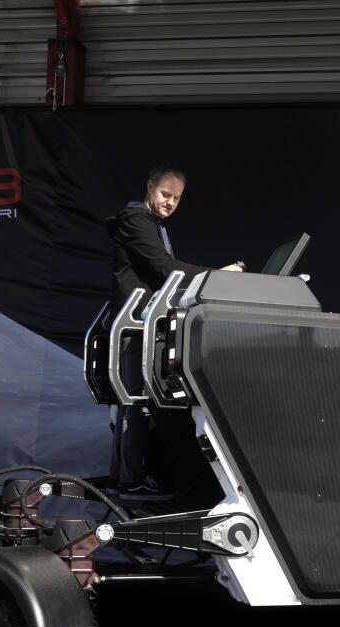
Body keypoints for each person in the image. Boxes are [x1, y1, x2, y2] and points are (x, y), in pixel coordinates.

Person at [107, 164, 240, 498]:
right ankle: (130, 480)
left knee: (134, 403)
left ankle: (127, 477)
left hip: (141, 323)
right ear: (150, 186)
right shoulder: (138, 221)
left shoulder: (151, 223)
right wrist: (216, 276)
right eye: (165, 194)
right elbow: (166, 269)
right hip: (135, 325)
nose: (170, 202)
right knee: (134, 401)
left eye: (176, 198)